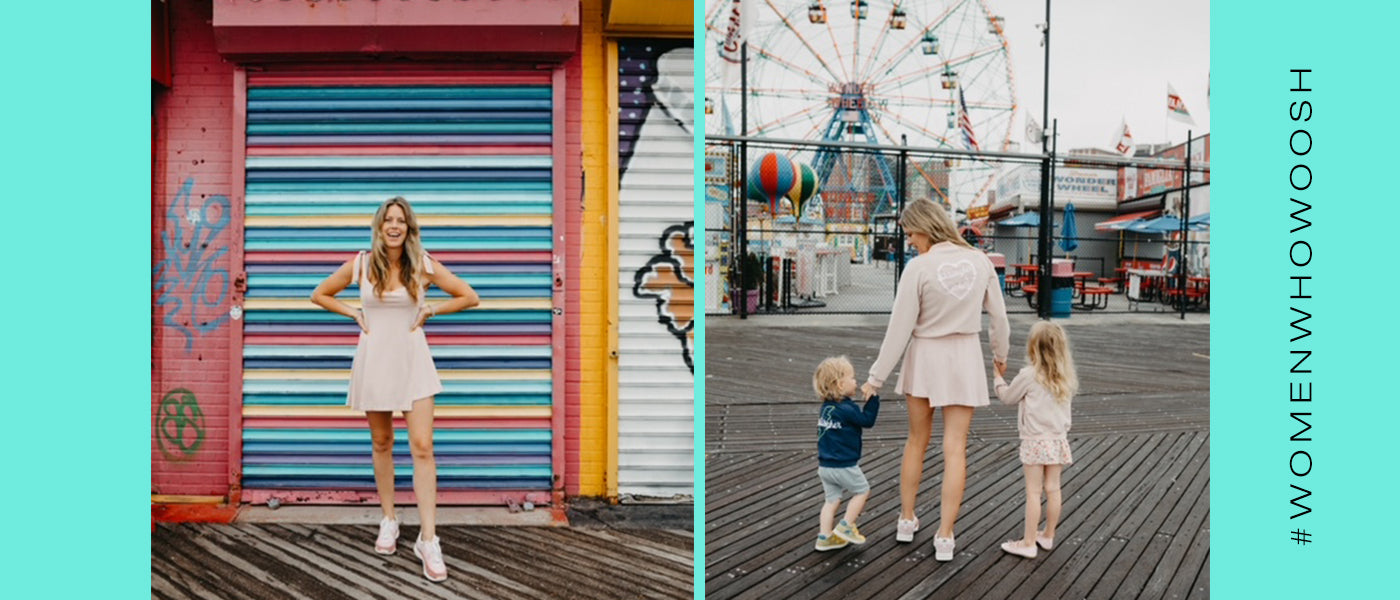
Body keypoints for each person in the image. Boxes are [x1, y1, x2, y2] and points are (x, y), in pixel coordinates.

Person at [311, 196, 480, 582]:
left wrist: (432, 309)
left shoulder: (422, 263)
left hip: (413, 360)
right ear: (378, 225)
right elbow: (319, 293)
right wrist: (352, 312)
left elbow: (469, 295)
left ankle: (429, 539)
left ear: (409, 228)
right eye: (388, 220)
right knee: (382, 442)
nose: (394, 226)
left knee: (422, 446)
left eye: (401, 221)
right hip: (375, 360)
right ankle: (388, 519)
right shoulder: (362, 263)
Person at [860, 199, 1009, 562]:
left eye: (910, 233)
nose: (909, 240)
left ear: (925, 227)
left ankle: (906, 519)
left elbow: (899, 330)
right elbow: (1000, 320)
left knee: (916, 442)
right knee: (955, 448)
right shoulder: (980, 261)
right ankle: (946, 536)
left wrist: (875, 379)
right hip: (964, 357)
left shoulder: (919, 268)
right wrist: (999, 357)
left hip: (925, 358)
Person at [994, 321, 1077, 559]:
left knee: (1033, 492)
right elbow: (1066, 415)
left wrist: (997, 378)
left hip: (1034, 440)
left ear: (1033, 348)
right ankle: (1048, 535)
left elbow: (1008, 397)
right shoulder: (1065, 378)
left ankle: (1028, 542)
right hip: (1058, 440)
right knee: (1053, 488)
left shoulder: (1029, 376)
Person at [813, 356, 880, 551]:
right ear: (840, 385)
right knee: (862, 491)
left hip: (825, 466)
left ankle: (824, 537)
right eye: (852, 378)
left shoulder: (826, 408)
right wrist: (873, 399)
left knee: (831, 501)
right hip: (844, 465)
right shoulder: (847, 408)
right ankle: (846, 525)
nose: (856, 382)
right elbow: (867, 421)